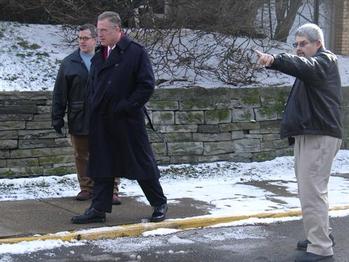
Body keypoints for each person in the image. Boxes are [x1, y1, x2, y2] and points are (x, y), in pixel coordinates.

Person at [256, 23, 342, 262]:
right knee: (310, 191)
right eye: (296, 44)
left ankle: (321, 249)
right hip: (311, 134)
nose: (298, 48)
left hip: (319, 135)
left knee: (312, 192)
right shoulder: (314, 67)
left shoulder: (324, 61)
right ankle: (320, 236)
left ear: (318, 43)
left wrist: (274, 59)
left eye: (303, 43)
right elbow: (301, 68)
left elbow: (303, 65)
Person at [71, 11, 167, 224]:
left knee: (141, 163)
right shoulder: (99, 55)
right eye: (98, 30)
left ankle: (159, 203)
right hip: (102, 121)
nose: (100, 34)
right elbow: (93, 87)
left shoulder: (135, 53)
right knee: (102, 165)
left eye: (104, 30)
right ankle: (98, 209)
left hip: (127, 121)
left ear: (117, 30)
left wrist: (126, 106)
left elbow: (146, 85)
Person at [52, 24, 122, 204]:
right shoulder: (69, 62)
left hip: (106, 116)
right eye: (80, 38)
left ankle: (112, 190)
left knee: (109, 153)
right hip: (79, 116)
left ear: (95, 39)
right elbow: (60, 92)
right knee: (81, 155)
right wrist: (57, 117)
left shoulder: (107, 59)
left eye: (86, 38)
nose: (82, 41)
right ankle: (86, 188)